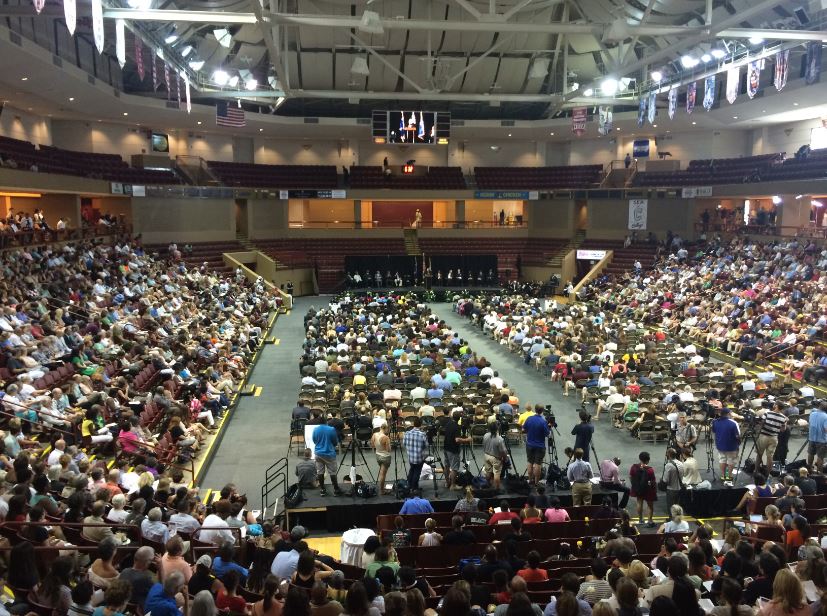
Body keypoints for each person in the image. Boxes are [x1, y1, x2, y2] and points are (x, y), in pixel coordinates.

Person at [312, 421, 343, 497]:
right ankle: (336, 490)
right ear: (326, 422)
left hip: (318, 454)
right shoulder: (331, 429)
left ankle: (322, 489)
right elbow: (335, 441)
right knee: (332, 472)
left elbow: (314, 440)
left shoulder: (315, 429)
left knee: (320, 472)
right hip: (329, 454)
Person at [443, 410, 471, 491]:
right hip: (453, 449)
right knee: (454, 468)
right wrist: (467, 440)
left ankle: (447, 482)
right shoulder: (456, 427)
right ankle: (453, 485)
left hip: (446, 447)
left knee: (446, 466)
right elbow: (457, 440)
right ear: (459, 419)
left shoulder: (448, 423)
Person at [756, 404, 787, 473]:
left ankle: (756, 471)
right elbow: (783, 429)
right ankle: (768, 474)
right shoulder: (784, 417)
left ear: (776, 406)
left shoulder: (767, 413)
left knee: (759, 454)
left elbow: (761, 423)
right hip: (774, 438)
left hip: (763, 436)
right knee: (770, 456)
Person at [523, 406, 550, 486]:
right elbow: (547, 434)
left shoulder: (529, 419)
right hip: (540, 446)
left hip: (530, 445)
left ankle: (530, 480)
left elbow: (524, 429)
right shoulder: (543, 421)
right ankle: (536, 482)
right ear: (542, 411)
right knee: (538, 464)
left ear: (535, 410)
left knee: (530, 462)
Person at [712, 408, 740, 482]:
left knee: (722, 459)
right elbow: (737, 436)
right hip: (731, 446)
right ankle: (729, 476)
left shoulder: (715, 422)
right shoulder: (733, 423)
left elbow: (714, 431)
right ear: (728, 414)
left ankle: (723, 475)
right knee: (731, 460)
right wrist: (739, 442)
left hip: (720, 444)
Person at [630, 451, 656, 527]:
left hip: (638, 489)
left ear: (640, 458)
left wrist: (634, 485)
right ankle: (650, 520)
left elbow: (631, 477)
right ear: (648, 460)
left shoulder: (634, 467)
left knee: (639, 502)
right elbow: (653, 481)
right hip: (648, 490)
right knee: (650, 505)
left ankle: (640, 519)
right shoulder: (650, 470)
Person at [402, 418, 428, 491]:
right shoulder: (422, 434)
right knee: (417, 472)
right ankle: (414, 487)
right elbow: (426, 445)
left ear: (413, 424)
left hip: (410, 456)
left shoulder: (407, 433)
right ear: (421, 425)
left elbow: (404, 443)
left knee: (412, 470)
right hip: (419, 457)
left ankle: (409, 485)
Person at [482, 422, 507, 491]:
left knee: (488, 472)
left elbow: (483, 445)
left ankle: (488, 484)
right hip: (496, 458)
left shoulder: (485, 435)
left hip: (486, 456)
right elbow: (503, 451)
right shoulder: (499, 439)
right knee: (497, 473)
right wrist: (505, 458)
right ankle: (497, 489)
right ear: (497, 428)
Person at [808, 402, 827, 471]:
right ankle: (819, 473)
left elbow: (810, 424)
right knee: (820, 457)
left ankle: (809, 469)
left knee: (810, 454)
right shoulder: (825, 417)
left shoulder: (812, 414)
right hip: (822, 440)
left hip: (811, 438)